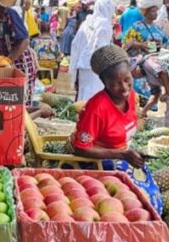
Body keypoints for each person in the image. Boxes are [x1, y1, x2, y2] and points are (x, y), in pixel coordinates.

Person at [69, 44, 162, 214]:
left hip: (123, 157)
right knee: (138, 204)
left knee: (152, 199)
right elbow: (81, 148)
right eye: (115, 84)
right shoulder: (96, 108)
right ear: (104, 83)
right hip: (98, 164)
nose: (125, 88)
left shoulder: (131, 96)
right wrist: (122, 154)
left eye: (127, 80)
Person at [0, 0, 38, 105]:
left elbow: (24, 41)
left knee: (21, 100)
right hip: (4, 64)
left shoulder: (10, 14)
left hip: (21, 63)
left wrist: (8, 60)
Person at [70, 0, 116, 102]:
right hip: (96, 66)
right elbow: (101, 47)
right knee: (95, 94)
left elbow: (76, 43)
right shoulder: (104, 23)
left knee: (83, 93)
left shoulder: (87, 22)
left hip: (83, 64)